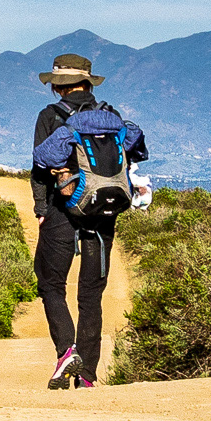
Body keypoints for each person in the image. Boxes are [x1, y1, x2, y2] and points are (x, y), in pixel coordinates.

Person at [27, 52, 150, 389]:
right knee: (91, 295)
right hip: (102, 211)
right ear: (88, 82)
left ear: (57, 86)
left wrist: (41, 208)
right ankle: (88, 376)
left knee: (51, 284)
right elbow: (134, 157)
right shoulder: (110, 116)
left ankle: (67, 351)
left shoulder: (50, 116)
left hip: (60, 210)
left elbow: (40, 169)